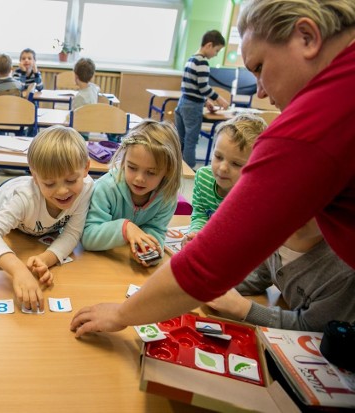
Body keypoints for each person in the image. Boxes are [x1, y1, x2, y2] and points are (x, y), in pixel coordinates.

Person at [70, 0, 355, 338]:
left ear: (307, 37)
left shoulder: (312, 124)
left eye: (260, 67)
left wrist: (122, 314)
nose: (260, 90)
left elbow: (206, 267)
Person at [0, 126, 93, 311]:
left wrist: (45, 259)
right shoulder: (25, 199)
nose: (63, 191)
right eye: (49, 183)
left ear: (86, 168)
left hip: (39, 226)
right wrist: (18, 270)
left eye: (71, 181)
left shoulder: (86, 188)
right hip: (6, 196)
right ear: (35, 176)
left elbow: (72, 233)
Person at [207, 219, 355, 332]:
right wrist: (215, 286)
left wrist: (243, 308)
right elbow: (261, 276)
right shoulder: (273, 233)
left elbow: (311, 327)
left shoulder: (344, 268)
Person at [81, 120, 182, 265]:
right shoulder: (106, 188)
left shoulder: (167, 197)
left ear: (168, 171)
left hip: (125, 267)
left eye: (151, 172)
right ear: (123, 161)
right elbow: (88, 237)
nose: (139, 179)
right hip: (97, 262)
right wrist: (125, 228)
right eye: (132, 168)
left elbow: (156, 230)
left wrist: (148, 251)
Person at [182, 114, 266, 245]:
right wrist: (196, 233)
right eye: (218, 157)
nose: (222, 168)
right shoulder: (203, 177)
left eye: (236, 164)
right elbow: (200, 212)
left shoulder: (254, 195)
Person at [175, 29, 230, 168]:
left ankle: (177, 166)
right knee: (191, 140)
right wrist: (219, 99)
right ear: (209, 45)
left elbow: (191, 86)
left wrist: (206, 101)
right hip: (193, 106)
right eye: (216, 51)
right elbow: (203, 87)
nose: (216, 54)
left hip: (183, 102)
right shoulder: (203, 63)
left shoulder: (191, 59)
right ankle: (189, 170)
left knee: (180, 139)